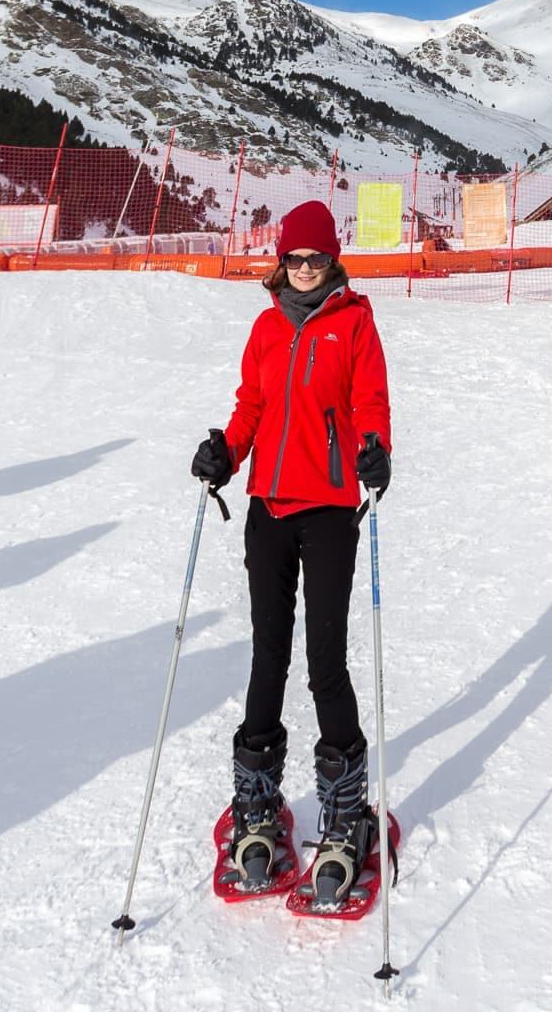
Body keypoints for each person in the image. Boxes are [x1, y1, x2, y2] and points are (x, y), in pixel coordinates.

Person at [191, 199, 393, 902]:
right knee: (267, 654)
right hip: (266, 511)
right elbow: (251, 406)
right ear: (282, 262)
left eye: (315, 259)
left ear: (331, 261)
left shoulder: (355, 325)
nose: (303, 270)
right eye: (294, 258)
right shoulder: (266, 327)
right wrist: (225, 451)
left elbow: (371, 404)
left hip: (331, 512)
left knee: (325, 663)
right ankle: (256, 806)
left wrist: (374, 452)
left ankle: (345, 815)